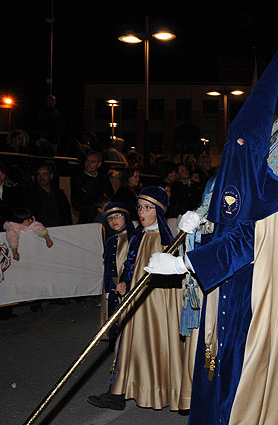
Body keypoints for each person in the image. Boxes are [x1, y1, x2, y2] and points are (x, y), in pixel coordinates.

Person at [145, 28, 278, 425]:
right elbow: (225, 225)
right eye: (232, 143)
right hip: (220, 287)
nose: (235, 151)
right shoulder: (234, 176)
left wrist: (186, 265)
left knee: (236, 367)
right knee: (212, 364)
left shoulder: (271, 191)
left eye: (243, 145)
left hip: (250, 291)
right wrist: (199, 225)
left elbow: (248, 241)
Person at [87, 186, 196, 413]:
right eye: (139, 207)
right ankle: (118, 392)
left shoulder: (167, 241)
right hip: (137, 301)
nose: (142, 212)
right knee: (130, 345)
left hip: (158, 304)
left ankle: (176, 394)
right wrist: (126, 281)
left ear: (159, 210)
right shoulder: (139, 236)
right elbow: (130, 264)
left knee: (159, 342)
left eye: (148, 208)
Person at [98, 202, 135, 346]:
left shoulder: (133, 239)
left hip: (127, 285)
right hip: (113, 285)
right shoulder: (110, 241)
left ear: (125, 217)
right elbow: (107, 267)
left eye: (117, 216)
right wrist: (108, 287)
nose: (114, 221)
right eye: (110, 218)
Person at [70, 150, 114, 223]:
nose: (88, 164)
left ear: (99, 164)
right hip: (86, 219)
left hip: (104, 218)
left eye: (92, 162)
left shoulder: (104, 179)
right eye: (87, 161)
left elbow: (111, 197)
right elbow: (77, 203)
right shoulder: (77, 179)